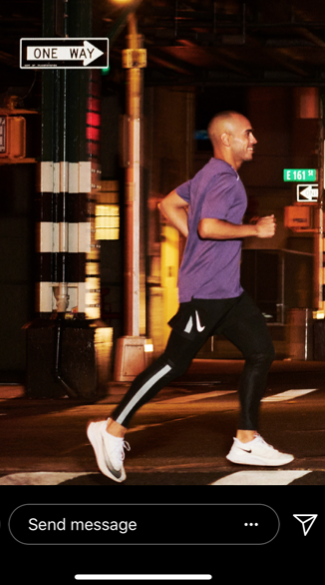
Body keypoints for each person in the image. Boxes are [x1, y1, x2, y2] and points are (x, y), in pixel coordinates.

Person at [87, 111, 292, 483]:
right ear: (227, 139)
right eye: (248, 133)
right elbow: (207, 226)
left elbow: (167, 205)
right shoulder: (225, 180)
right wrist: (255, 229)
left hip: (228, 292)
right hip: (207, 292)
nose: (254, 140)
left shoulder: (207, 175)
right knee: (173, 364)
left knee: (261, 351)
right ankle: (112, 428)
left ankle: (246, 439)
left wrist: (195, 244)